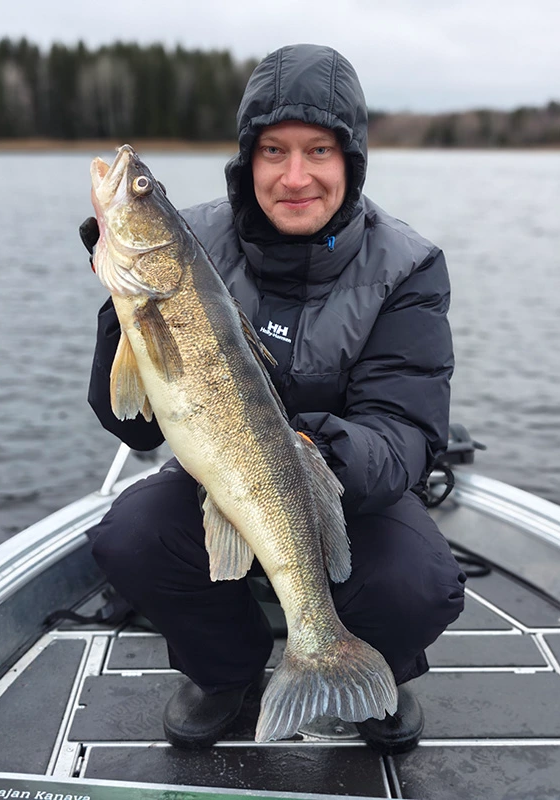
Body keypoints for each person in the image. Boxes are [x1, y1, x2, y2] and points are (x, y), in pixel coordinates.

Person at [81, 43, 466, 754]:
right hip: (217, 473)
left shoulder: (408, 266)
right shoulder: (189, 241)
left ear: (351, 161)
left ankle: (368, 670)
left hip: (348, 484)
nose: (295, 176)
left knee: (419, 585)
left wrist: (312, 460)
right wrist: (121, 309)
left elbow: (405, 435)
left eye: (319, 149)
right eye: (272, 151)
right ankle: (225, 674)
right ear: (246, 161)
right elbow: (133, 430)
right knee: (127, 538)